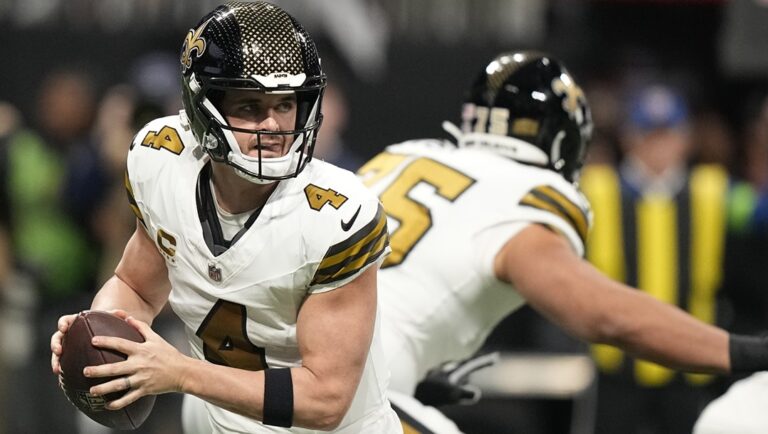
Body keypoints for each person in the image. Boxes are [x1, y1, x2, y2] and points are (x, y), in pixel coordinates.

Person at [357, 51, 768, 433]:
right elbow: (606, 315)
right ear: (562, 140)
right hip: (355, 388)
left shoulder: (401, 157)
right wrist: (745, 352)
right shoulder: (524, 195)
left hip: (306, 377)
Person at [50, 2, 400, 433]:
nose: (272, 125)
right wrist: (99, 334)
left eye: (286, 104)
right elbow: (136, 288)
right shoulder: (160, 159)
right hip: (217, 422)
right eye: (250, 106)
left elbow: (325, 400)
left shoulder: (335, 214)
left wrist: (180, 372)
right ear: (203, 104)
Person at [581, 82, 731, 434]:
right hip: (616, 363)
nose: (658, 146)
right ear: (629, 138)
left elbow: (756, 210)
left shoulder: (712, 190)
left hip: (689, 364)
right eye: (648, 134)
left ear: (686, 139)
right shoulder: (596, 190)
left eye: (667, 135)